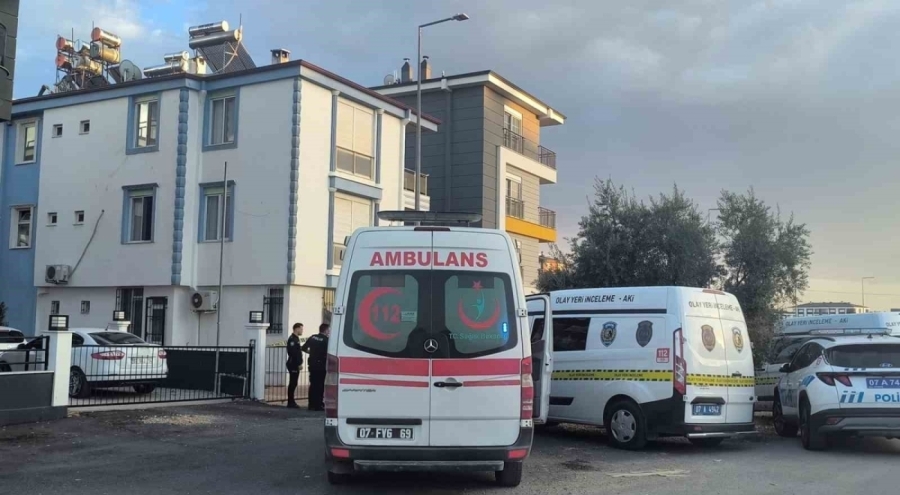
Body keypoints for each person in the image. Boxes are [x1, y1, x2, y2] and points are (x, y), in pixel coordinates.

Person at [303, 323, 330, 411]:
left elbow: (303, 348)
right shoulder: (326, 340)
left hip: (312, 364)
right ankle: (318, 404)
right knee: (320, 385)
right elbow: (329, 352)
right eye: (329, 330)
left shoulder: (312, 337)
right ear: (326, 330)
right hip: (321, 365)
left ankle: (311, 404)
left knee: (313, 384)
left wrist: (312, 354)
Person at [286, 323, 304, 409]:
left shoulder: (296, 338)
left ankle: (291, 401)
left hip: (294, 363)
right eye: (301, 329)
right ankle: (290, 402)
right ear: (296, 329)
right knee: (293, 383)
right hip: (293, 364)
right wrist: (299, 363)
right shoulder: (292, 339)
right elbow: (293, 353)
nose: (302, 331)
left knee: (294, 382)